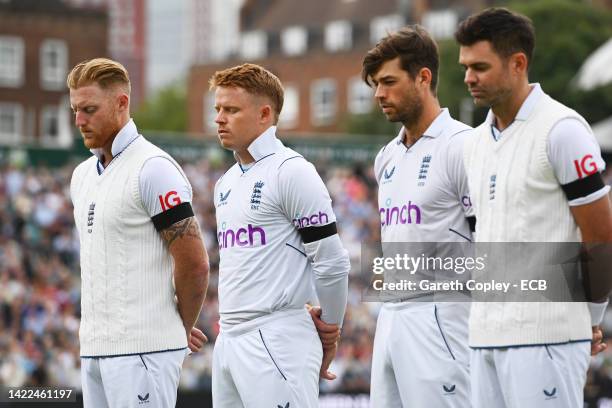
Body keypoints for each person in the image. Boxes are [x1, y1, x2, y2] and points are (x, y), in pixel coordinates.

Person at [455, 8, 612, 407]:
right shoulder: (472, 144)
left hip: (549, 336)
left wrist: (590, 319)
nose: (468, 77)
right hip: (485, 337)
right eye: (465, 66)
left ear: (517, 64)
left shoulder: (563, 130)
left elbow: (601, 237)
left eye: (480, 67)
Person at [67, 58, 209, 408]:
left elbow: (195, 265)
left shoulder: (153, 169)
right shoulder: (81, 176)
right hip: (94, 351)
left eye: (88, 109)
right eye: (74, 110)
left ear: (121, 103)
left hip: (144, 353)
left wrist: (178, 326)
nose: (79, 121)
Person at [208, 63, 350, 407]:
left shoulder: (292, 171)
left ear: (264, 114)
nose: (220, 118)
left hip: (277, 336)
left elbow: (332, 263)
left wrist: (330, 330)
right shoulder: (225, 183)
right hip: (228, 340)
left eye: (231, 109)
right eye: (218, 109)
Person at [361, 25, 474, 407]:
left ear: (423, 77)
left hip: (443, 315)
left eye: (389, 82)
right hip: (391, 315)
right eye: (376, 84)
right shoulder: (386, 156)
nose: (379, 94)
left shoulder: (463, 146)